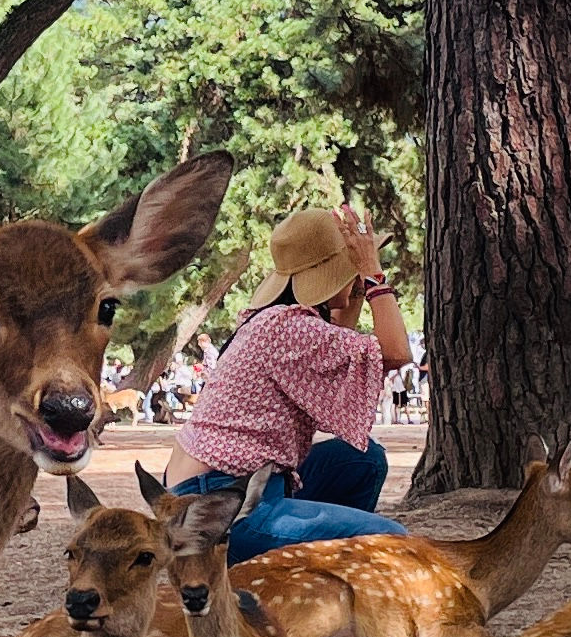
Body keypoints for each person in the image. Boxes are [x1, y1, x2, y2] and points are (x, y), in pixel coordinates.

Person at [161, 205, 414, 561]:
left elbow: (341, 337)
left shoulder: (274, 319)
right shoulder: (289, 327)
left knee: (363, 460)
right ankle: (313, 576)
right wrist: (372, 274)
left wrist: (355, 288)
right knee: (391, 540)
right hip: (219, 508)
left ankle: (317, 574)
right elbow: (397, 353)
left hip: (221, 488)